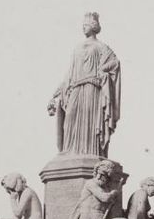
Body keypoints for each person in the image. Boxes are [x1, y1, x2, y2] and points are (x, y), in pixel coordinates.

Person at [47, 12, 121, 158]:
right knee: (69, 119)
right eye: (82, 26)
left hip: (92, 89)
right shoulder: (77, 48)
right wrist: (55, 94)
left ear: (94, 27)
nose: (83, 28)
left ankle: (91, 152)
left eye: (86, 25)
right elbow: (70, 73)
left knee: (90, 122)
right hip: (76, 88)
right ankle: (69, 151)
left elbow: (115, 63)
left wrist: (103, 71)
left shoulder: (101, 47)